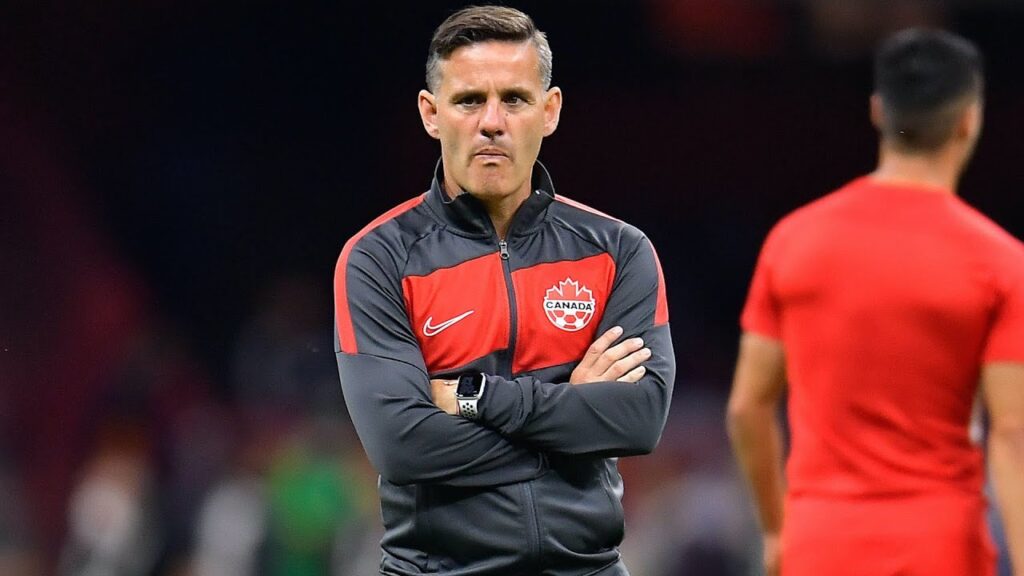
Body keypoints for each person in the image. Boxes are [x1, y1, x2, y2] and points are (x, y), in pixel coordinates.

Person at [333, 6, 675, 575]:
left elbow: (638, 420)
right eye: (470, 100)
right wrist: (572, 412)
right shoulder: (378, 258)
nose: (492, 121)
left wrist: (475, 398)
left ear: (550, 111)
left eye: (514, 99)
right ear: (430, 113)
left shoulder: (618, 250)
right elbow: (404, 447)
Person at [727, 28, 1024, 576]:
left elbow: (748, 406)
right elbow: (1011, 432)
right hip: (942, 547)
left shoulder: (793, 240)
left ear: (878, 111)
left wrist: (776, 531)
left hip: (821, 544)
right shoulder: (1001, 262)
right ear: (969, 119)